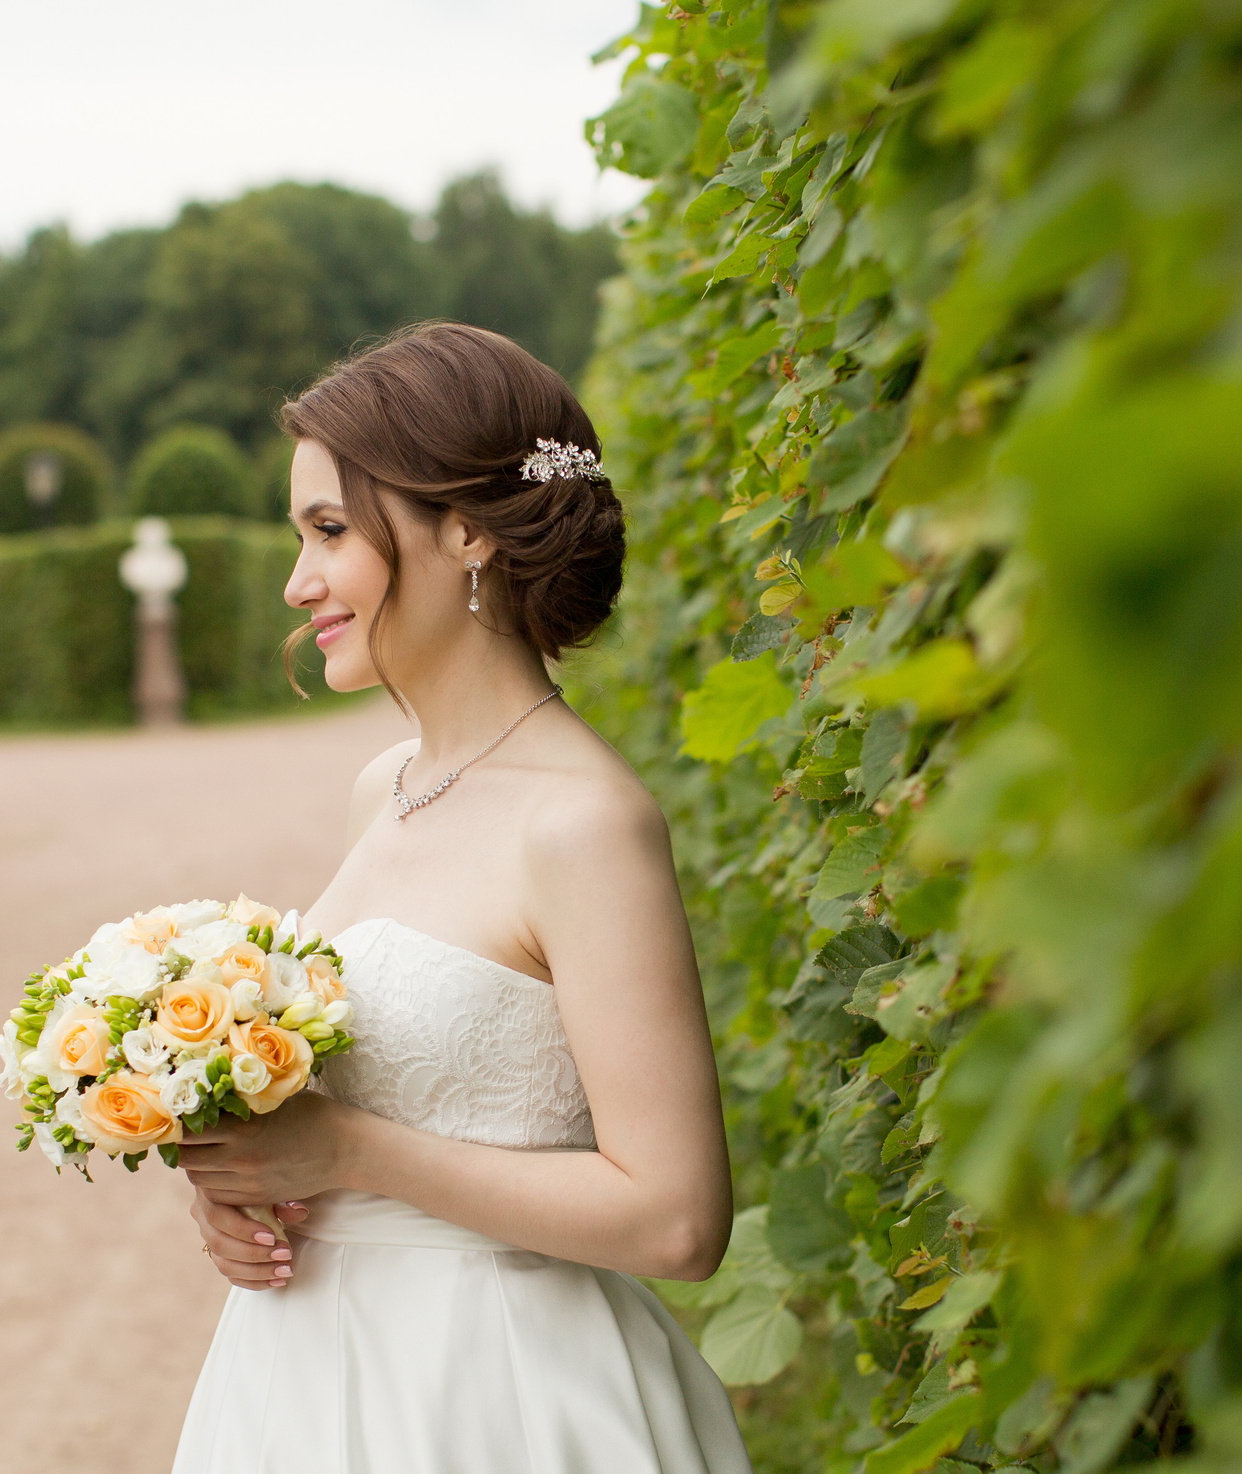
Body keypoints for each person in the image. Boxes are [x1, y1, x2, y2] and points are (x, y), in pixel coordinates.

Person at [168, 322, 751, 1472]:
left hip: (497, 1391)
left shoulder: (583, 824)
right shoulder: (382, 786)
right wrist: (252, 1197)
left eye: (329, 530)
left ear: (468, 528)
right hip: (302, 1378)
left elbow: (677, 1218)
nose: (299, 581)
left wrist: (345, 1155)